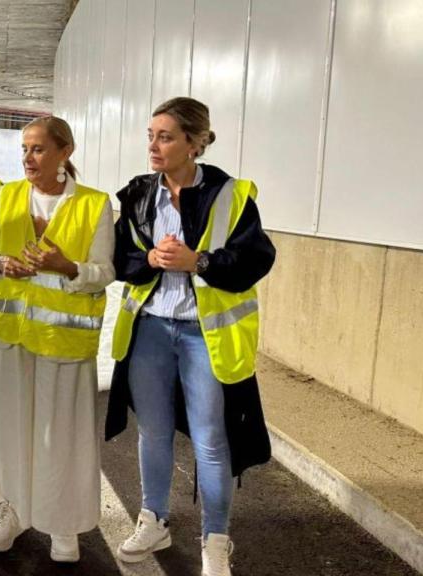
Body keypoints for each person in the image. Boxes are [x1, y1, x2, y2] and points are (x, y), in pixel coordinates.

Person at [105, 97, 276, 576]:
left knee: (210, 439)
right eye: (151, 135)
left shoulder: (232, 195)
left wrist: (198, 261)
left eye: (165, 137)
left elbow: (256, 260)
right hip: (150, 329)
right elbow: (120, 259)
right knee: (153, 432)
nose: (154, 146)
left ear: (194, 143)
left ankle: (216, 538)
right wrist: (151, 262)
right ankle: (153, 518)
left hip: (205, 336)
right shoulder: (138, 195)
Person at [0, 116, 114, 563]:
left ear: (64, 152)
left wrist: (67, 267)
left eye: (37, 149)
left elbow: (104, 273)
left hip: (64, 341)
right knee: (11, 425)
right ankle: (12, 509)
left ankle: (63, 522)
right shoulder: (9, 196)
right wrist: (0, 263)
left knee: (62, 436)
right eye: (24, 149)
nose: (27, 158)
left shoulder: (95, 205)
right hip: (11, 336)